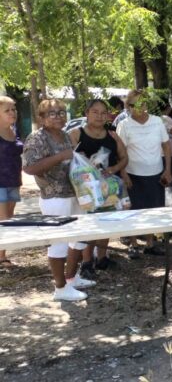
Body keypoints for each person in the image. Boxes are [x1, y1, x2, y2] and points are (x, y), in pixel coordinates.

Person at [22, 99, 94, 301]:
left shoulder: (64, 135)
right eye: (52, 113)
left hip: (76, 193)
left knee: (79, 238)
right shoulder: (37, 138)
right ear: (41, 118)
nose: (59, 116)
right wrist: (60, 156)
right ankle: (60, 288)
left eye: (62, 112)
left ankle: (71, 279)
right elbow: (29, 168)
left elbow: (71, 160)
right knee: (59, 244)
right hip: (54, 197)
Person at [69, 99, 129, 273]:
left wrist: (113, 169)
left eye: (104, 113)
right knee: (89, 224)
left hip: (109, 187)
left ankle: (102, 258)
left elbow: (124, 157)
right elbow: (69, 158)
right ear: (87, 113)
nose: (99, 116)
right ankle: (87, 262)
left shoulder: (112, 134)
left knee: (106, 222)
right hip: (85, 189)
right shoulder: (76, 134)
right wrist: (88, 168)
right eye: (95, 112)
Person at [117, 90, 172, 258]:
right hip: (133, 174)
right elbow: (121, 151)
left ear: (147, 104)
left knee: (153, 210)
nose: (139, 108)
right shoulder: (124, 125)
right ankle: (133, 243)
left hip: (156, 173)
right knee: (134, 210)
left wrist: (168, 169)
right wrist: (123, 173)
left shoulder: (157, 122)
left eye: (142, 103)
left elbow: (166, 146)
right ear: (128, 107)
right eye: (134, 105)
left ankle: (150, 242)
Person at [0, 96, 22, 268]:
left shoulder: (14, 129)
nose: (12, 113)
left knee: (9, 218)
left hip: (14, 180)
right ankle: (2, 257)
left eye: (13, 109)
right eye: (7, 110)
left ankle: (2, 254)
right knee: (3, 218)